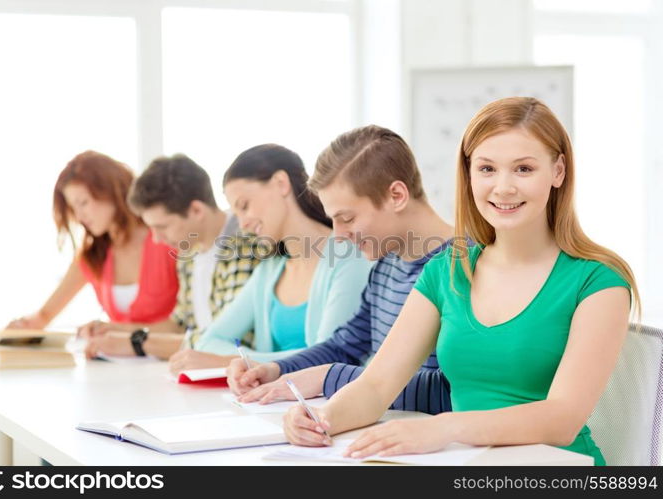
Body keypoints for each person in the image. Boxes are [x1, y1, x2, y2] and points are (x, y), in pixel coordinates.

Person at [282, 97, 639, 466]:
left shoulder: (599, 281)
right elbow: (375, 386)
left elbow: (562, 418)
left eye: (523, 169)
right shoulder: (446, 271)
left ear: (558, 172)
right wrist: (322, 418)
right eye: (486, 169)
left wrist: (445, 429)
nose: (502, 188)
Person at [226, 125, 455, 415]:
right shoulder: (386, 265)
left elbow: (452, 389)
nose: (338, 234)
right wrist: (275, 369)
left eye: (346, 217)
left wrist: (326, 378)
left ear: (396, 195)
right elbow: (345, 345)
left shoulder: (466, 268)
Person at [168, 144, 373, 373]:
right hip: (273, 405)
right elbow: (209, 341)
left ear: (281, 184)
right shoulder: (269, 271)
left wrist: (243, 363)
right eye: (236, 214)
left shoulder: (349, 256)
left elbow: (330, 357)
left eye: (244, 206)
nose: (243, 223)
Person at [82, 154, 262, 359]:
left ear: (196, 210)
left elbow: (229, 341)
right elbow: (179, 325)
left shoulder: (244, 245)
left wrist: (137, 342)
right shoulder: (189, 252)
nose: (157, 240)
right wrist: (115, 330)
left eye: (162, 227)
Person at [7, 151, 178, 336]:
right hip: (121, 363)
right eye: (73, 208)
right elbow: (43, 316)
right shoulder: (93, 256)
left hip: (174, 361)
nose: (79, 216)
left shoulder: (167, 239)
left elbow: (186, 324)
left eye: (83, 203)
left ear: (111, 191)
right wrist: (20, 328)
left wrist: (116, 330)